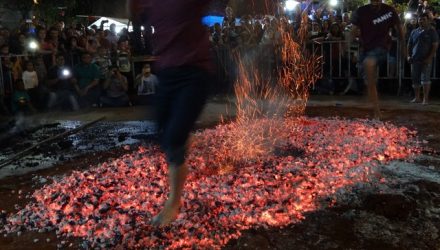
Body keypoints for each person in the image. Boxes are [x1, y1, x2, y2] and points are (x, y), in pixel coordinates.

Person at [141, 0, 214, 226]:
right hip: (166, 73)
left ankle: (173, 203)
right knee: (160, 133)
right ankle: (184, 138)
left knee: (173, 139)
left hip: (194, 73)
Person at [351, 0, 405, 119]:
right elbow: (353, 31)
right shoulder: (361, 11)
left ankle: (376, 111)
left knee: (368, 64)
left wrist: (403, 46)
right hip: (366, 49)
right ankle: (373, 102)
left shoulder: (389, 10)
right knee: (368, 80)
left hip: (381, 47)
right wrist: (351, 48)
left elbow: (400, 29)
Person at [407, 12, 439, 105]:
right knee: (415, 78)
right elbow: (409, 44)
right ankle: (417, 98)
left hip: (426, 59)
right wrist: (408, 55)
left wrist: (429, 57)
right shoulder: (414, 31)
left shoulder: (432, 31)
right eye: (419, 19)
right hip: (415, 58)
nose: (421, 21)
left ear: (428, 20)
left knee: (425, 79)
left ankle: (425, 99)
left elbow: (435, 45)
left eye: (423, 19)